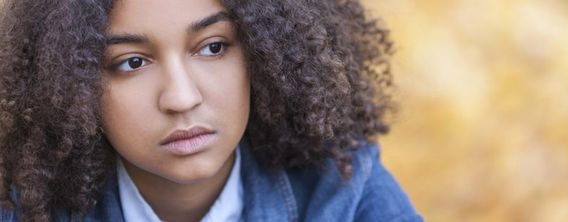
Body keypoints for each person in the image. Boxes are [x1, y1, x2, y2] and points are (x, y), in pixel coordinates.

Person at [0, 0, 423, 221]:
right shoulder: (21, 206)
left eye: (213, 47)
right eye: (132, 62)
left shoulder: (337, 179)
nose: (181, 98)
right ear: (67, 81)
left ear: (266, 53)